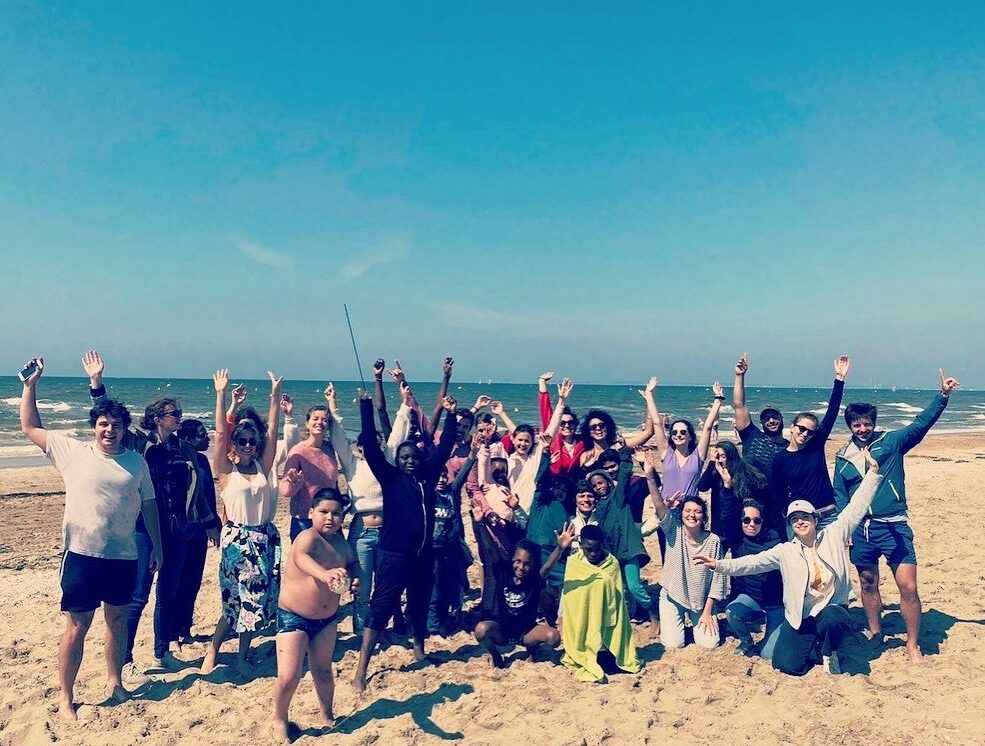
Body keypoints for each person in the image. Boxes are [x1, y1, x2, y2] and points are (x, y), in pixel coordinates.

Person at [19, 357, 162, 720]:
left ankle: (115, 683)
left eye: (115, 424)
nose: (108, 429)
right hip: (82, 555)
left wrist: (157, 548)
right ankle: (66, 697)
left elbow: (149, 507)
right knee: (77, 626)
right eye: (102, 423)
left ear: (123, 427)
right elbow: (30, 427)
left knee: (116, 621)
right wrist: (29, 386)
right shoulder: (73, 453)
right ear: (94, 427)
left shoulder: (137, 462)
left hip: (123, 556)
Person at [695, 449, 883, 675]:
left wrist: (872, 473)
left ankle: (829, 651)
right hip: (802, 615)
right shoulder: (785, 551)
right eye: (795, 519)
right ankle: (814, 646)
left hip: (831, 609)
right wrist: (719, 565)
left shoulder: (835, 534)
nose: (800, 522)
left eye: (805, 517)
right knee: (785, 664)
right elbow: (751, 562)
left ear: (815, 519)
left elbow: (856, 507)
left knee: (832, 618)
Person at [834, 369, 959, 662]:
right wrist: (845, 530)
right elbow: (841, 496)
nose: (862, 429)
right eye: (857, 424)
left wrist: (942, 397)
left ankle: (912, 644)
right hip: (862, 530)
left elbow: (919, 425)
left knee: (909, 587)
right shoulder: (842, 456)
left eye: (867, 424)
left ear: (873, 424)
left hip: (894, 526)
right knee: (867, 582)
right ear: (850, 426)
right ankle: (876, 633)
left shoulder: (891, 442)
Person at [350, 390, 459, 692]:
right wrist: (365, 406)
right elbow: (371, 449)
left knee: (420, 603)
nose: (410, 461)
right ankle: (360, 670)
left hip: (423, 556)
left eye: (414, 457)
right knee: (381, 607)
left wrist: (450, 415)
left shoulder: (427, 476)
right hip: (393, 555)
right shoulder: (391, 478)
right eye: (404, 457)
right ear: (396, 461)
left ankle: (419, 649)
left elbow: (446, 446)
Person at [202, 369, 284, 673]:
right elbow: (221, 432)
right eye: (242, 440)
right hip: (237, 541)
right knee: (234, 600)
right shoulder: (226, 470)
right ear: (234, 444)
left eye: (252, 440)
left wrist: (274, 395)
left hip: (264, 538)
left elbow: (272, 430)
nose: (248, 444)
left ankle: (241, 655)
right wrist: (221, 395)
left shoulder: (263, 467)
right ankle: (213, 649)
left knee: (256, 601)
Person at [272, 488, 360, 742]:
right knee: (290, 676)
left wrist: (354, 578)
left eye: (336, 513)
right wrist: (325, 574)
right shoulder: (307, 537)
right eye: (323, 512)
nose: (329, 518)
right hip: (293, 617)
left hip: (327, 620)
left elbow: (353, 564)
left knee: (323, 671)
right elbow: (300, 558)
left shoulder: (341, 543)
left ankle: (326, 713)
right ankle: (280, 718)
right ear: (311, 513)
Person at [641, 472, 726, 650]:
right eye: (688, 511)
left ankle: (695, 625)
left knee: (710, 644)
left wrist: (708, 612)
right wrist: (650, 477)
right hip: (672, 596)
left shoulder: (713, 541)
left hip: (700, 602)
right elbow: (659, 508)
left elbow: (717, 581)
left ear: (704, 516)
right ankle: (679, 627)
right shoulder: (674, 530)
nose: (692, 515)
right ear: (681, 514)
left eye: (697, 511)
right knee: (673, 645)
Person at [587, 446, 660, 638]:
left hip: (629, 549)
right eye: (594, 486)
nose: (598, 487)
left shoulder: (619, 497)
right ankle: (633, 614)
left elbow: (626, 471)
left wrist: (626, 451)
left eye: (601, 483)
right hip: (613, 553)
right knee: (624, 588)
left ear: (609, 483)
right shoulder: (598, 507)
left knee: (635, 586)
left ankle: (654, 614)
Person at [770, 356, 850, 531]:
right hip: (800, 518)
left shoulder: (815, 446)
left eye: (810, 431)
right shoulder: (780, 459)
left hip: (827, 515)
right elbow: (779, 494)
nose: (805, 433)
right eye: (801, 428)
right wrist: (788, 515)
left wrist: (839, 379)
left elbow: (832, 411)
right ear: (792, 428)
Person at [473, 529, 573, 668]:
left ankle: (532, 649)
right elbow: (491, 549)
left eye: (526, 564)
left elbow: (548, 566)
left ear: (532, 565)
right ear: (512, 559)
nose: (521, 567)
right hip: (503, 630)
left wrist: (560, 548)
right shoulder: (503, 573)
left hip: (526, 632)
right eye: (518, 561)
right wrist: (480, 524)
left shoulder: (535, 579)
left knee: (554, 637)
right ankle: (495, 655)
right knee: (480, 630)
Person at [560, 525, 642, 683]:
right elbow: (570, 598)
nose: (593, 553)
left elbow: (617, 603)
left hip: (606, 622)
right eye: (588, 549)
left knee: (609, 662)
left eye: (597, 549)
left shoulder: (612, 564)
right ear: (581, 544)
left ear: (602, 545)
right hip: (582, 621)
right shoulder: (574, 564)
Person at [174, 419, 221, 645]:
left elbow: (208, 496)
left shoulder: (202, 459)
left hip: (201, 529)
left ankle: (185, 628)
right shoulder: (178, 460)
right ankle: (172, 633)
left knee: (193, 580)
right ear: (189, 438)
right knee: (178, 581)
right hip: (182, 530)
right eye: (202, 435)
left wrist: (213, 523)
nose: (207, 438)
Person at [642, 377, 724, 501]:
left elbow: (707, 427)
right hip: (667, 508)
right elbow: (657, 423)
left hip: (690, 511)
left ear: (690, 436)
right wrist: (649, 395)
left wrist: (718, 399)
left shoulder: (698, 456)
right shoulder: (666, 453)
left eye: (683, 432)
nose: (678, 435)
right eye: (674, 432)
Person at [429, 437, 479, 637]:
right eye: (437, 477)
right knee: (435, 588)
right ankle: (432, 625)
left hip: (452, 548)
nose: (441, 479)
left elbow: (463, 474)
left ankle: (449, 619)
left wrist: (473, 454)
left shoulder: (451, 492)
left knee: (453, 584)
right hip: (433, 550)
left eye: (444, 476)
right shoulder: (427, 495)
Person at [724, 500, 784, 659]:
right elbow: (727, 515)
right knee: (732, 611)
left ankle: (776, 630)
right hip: (753, 599)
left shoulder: (775, 540)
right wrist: (727, 488)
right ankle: (747, 643)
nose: (751, 524)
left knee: (767, 655)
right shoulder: (737, 541)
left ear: (762, 522)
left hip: (776, 605)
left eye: (756, 520)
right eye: (746, 520)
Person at [279, 401, 341, 542]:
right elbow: (285, 491)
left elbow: (333, 483)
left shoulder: (330, 449)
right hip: (305, 520)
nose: (320, 422)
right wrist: (292, 483)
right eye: (315, 418)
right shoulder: (298, 451)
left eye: (325, 420)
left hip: (329, 518)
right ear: (307, 424)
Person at [697, 441, 769, 552]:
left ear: (731, 456)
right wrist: (712, 462)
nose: (720, 460)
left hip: (740, 528)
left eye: (723, 456)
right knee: (715, 563)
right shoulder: (716, 474)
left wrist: (729, 485)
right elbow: (702, 487)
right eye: (717, 457)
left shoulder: (745, 473)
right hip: (720, 529)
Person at [732, 353, 789, 485]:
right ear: (762, 422)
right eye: (767, 418)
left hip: (776, 502)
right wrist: (740, 376)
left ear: (781, 419)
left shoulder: (789, 448)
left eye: (775, 416)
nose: (771, 421)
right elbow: (739, 405)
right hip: (750, 500)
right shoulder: (752, 437)